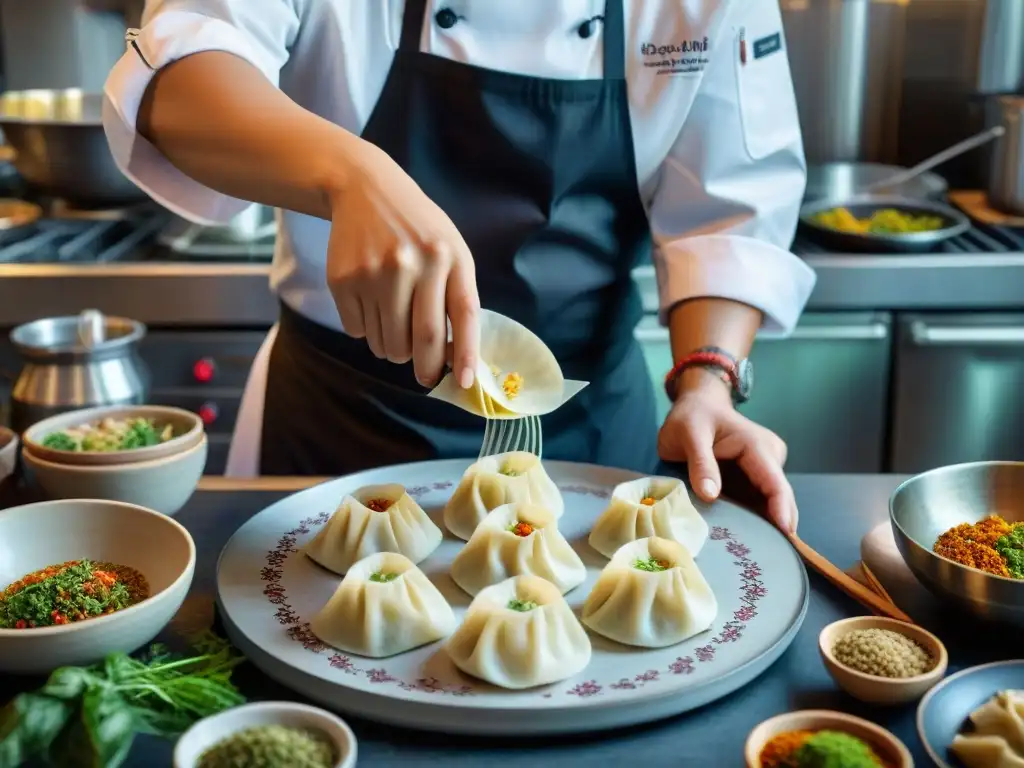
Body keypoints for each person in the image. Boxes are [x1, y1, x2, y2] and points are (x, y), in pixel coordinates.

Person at [104, 0, 815, 532]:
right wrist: (350, 175)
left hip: (590, 440)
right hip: (338, 421)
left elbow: (729, 208)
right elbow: (180, 77)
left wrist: (710, 383)